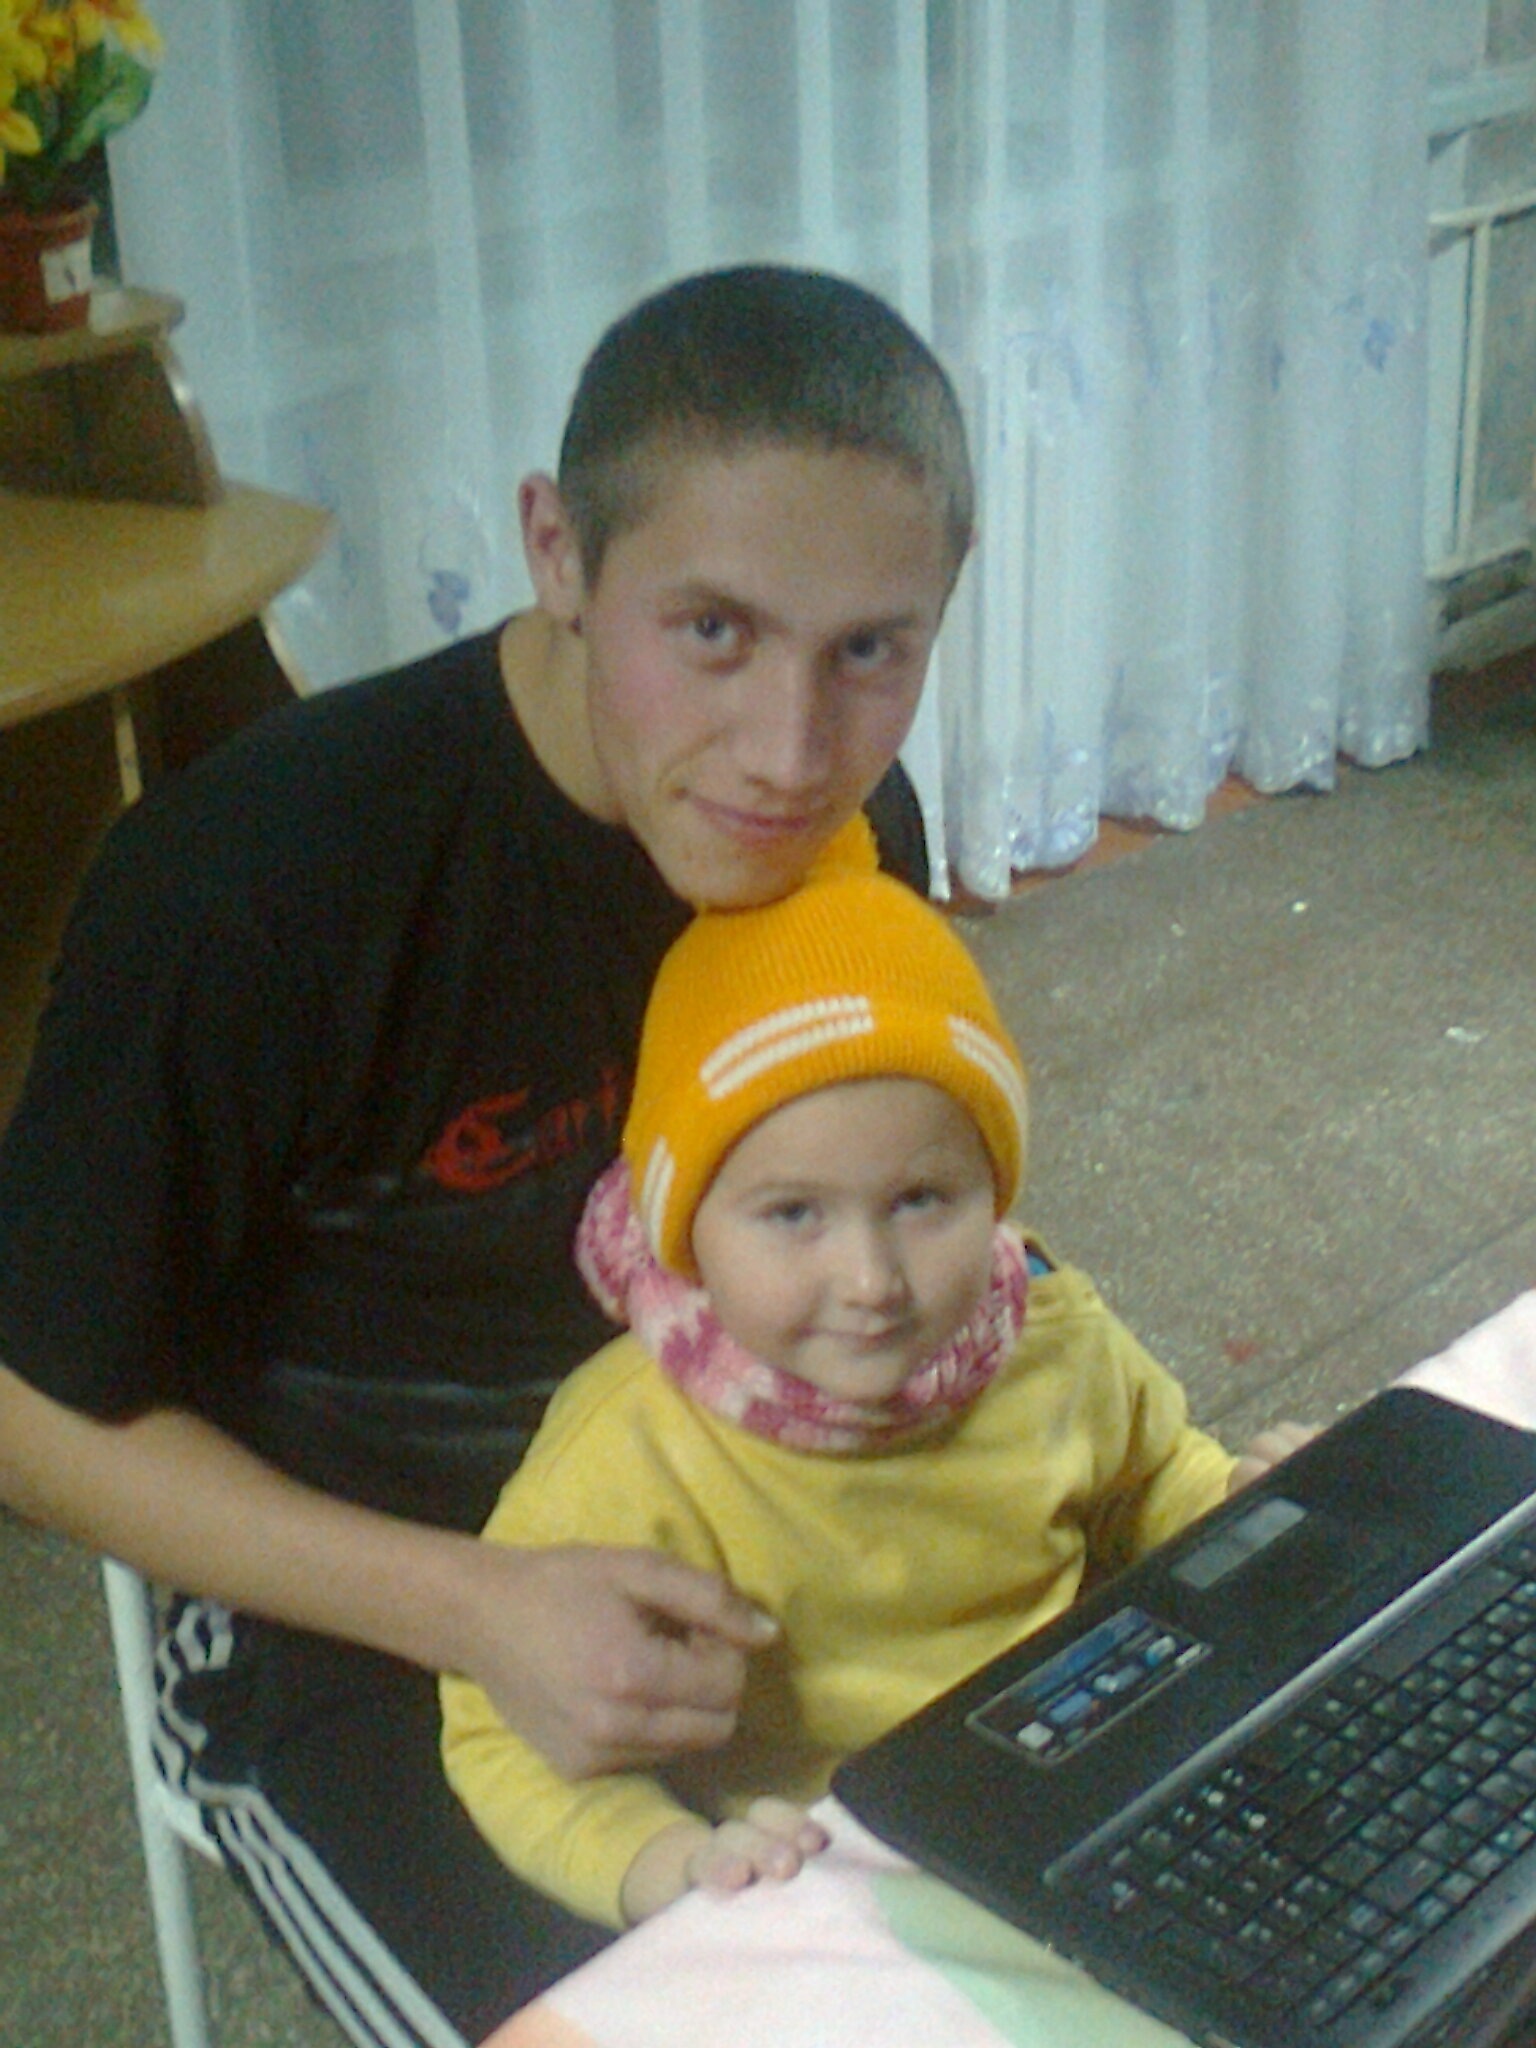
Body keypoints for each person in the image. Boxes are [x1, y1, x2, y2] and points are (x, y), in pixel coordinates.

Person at [0, 266, 970, 2046]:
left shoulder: (851, 829)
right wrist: (477, 1606)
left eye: (870, 651)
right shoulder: (255, 888)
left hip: (763, 1488)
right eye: (712, 631)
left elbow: (899, 1178)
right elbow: (27, 1399)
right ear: (556, 551)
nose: (790, 753)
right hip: (360, 1612)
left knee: (1125, 1877)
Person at [440, 854, 1308, 1931]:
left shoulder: (1050, 1331)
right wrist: (660, 1858)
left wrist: (1239, 1512)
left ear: (995, 1191)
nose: (870, 1281)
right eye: (792, 1213)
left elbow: (1152, 1472)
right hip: (846, 1879)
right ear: (685, 1226)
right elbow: (498, 1720)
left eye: (922, 1199)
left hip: (1094, 1778)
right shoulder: (627, 1456)